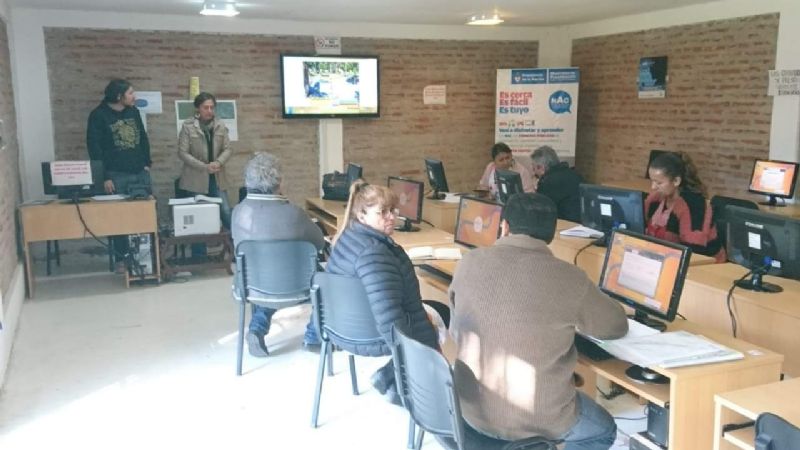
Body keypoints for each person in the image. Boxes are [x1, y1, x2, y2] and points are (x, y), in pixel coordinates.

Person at [449, 192, 628, 449]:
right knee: (602, 431)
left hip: (469, 410)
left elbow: (456, 330)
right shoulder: (570, 277)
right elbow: (615, 326)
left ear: (504, 226)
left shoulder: (469, 261)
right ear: (551, 235)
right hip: (537, 420)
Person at [326, 180, 441, 404]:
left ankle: (389, 375)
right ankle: (400, 384)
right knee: (440, 314)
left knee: (434, 310)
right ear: (362, 216)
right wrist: (413, 346)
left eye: (393, 210)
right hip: (371, 333)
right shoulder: (374, 253)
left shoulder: (348, 237)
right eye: (382, 212)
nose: (391, 217)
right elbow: (389, 318)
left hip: (341, 326)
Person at [231, 153, 325, 357]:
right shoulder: (294, 214)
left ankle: (256, 329)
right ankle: (313, 337)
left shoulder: (238, 212)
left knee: (266, 278)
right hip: (296, 287)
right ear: (279, 182)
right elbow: (319, 244)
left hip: (251, 286)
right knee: (327, 281)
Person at [86, 79, 152, 270]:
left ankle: (146, 258)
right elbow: (95, 149)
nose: (134, 97)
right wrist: (104, 176)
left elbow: (142, 137)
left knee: (144, 214)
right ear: (118, 96)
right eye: (130, 93)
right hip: (115, 174)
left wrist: (147, 163)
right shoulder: (98, 116)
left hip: (139, 171)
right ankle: (121, 259)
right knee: (118, 219)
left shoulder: (133, 111)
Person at [645, 152, 725, 262]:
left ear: (676, 181)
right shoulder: (655, 199)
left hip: (705, 263)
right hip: (666, 257)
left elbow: (693, 250)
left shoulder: (694, 204)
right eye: (652, 181)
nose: (653, 187)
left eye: (659, 183)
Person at [178, 92, 234, 230]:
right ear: (198, 108)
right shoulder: (188, 126)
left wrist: (218, 162)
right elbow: (182, 153)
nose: (209, 111)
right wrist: (204, 167)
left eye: (212, 107)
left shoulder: (220, 125)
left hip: (217, 177)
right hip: (196, 178)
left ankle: (234, 241)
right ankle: (201, 246)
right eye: (205, 107)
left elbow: (228, 149)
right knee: (199, 216)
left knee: (226, 211)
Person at [530, 145, 583, 223]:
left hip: (564, 224)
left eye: (534, 168)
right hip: (581, 223)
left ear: (541, 168)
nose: (534, 172)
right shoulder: (575, 174)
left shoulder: (547, 182)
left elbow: (538, 210)